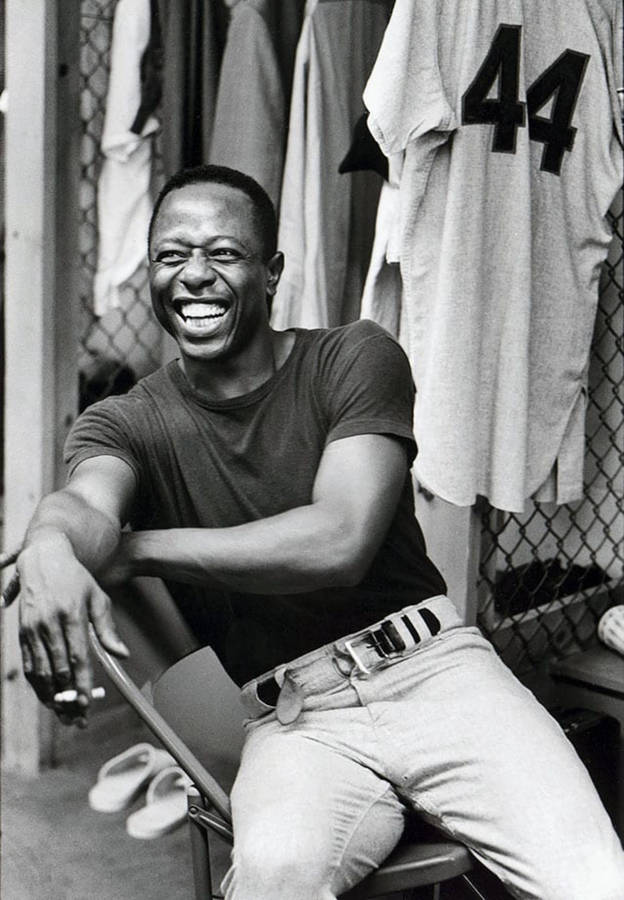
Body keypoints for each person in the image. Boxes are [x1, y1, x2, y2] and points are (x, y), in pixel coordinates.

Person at [16, 165, 624, 899]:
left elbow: (340, 540)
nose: (194, 275)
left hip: (435, 671)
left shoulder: (352, 357)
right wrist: (51, 544)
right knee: (272, 880)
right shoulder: (125, 421)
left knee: (594, 880)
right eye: (171, 256)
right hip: (295, 721)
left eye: (223, 253)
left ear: (272, 272)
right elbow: (83, 504)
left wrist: (135, 549)